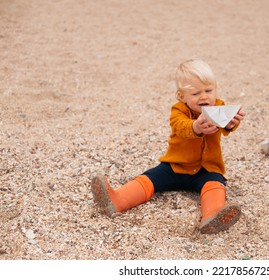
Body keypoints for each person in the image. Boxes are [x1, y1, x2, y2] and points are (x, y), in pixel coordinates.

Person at [91, 59, 245, 234]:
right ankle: (116, 200)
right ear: (181, 96)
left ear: (215, 89)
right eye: (195, 93)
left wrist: (232, 123)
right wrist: (195, 127)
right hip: (175, 166)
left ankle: (213, 216)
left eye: (208, 91)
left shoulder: (219, 107)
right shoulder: (178, 110)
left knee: (215, 184)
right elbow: (179, 126)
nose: (204, 97)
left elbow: (226, 127)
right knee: (149, 179)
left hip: (207, 168)